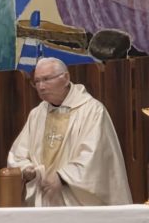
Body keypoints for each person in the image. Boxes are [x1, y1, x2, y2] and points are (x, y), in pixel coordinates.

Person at [7, 57, 132, 206]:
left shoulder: (92, 110)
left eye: (46, 79)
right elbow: (18, 154)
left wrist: (62, 177)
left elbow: (95, 158)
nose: (41, 87)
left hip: (76, 201)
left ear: (65, 78)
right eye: (37, 81)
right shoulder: (37, 114)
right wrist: (27, 170)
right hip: (43, 198)